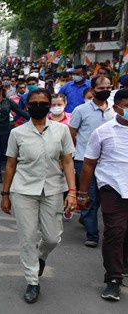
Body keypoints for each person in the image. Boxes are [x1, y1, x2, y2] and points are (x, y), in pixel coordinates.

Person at [0, 87, 76, 304]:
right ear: (27, 106)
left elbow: (68, 161)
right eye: (34, 104)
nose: (39, 107)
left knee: (52, 237)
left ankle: (40, 257)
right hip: (23, 190)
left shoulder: (61, 131)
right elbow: (11, 165)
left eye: (44, 103)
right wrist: (5, 194)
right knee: (27, 237)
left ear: (49, 105)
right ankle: (32, 281)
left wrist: (72, 191)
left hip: (53, 188)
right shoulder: (17, 133)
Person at [79, 88, 128, 301]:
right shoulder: (103, 131)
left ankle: (123, 263)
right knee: (115, 232)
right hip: (113, 187)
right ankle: (113, 279)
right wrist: (81, 192)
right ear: (117, 107)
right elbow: (89, 163)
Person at [69, 76, 116, 247]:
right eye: (101, 88)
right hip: (84, 160)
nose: (105, 90)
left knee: (106, 197)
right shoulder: (81, 110)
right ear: (93, 89)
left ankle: (85, 218)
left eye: (108, 87)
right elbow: (71, 134)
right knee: (89, 196)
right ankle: (93, 235)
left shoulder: (114, 110)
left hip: (109, 161)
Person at [0, 84, 30, 183]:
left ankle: (7, 170)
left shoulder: (8, 102)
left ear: (0, 91)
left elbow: (19, 111)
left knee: (4, 150)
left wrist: (32, 118)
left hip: (5, 129)